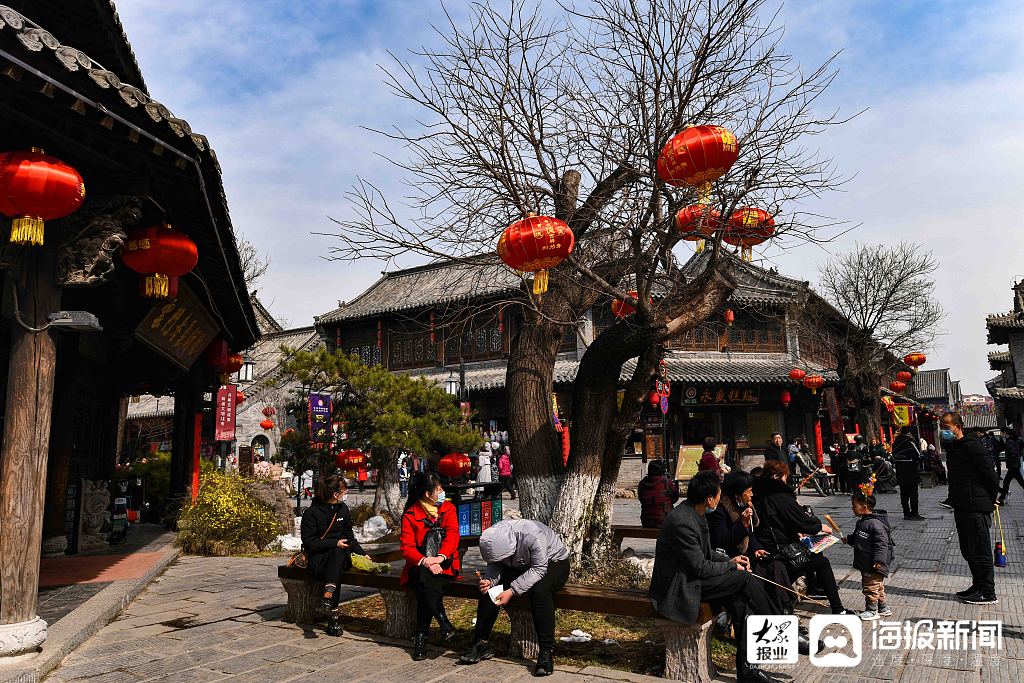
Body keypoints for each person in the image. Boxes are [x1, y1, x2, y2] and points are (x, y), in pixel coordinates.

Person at [650, 471, 796, 683]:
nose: (720, 498)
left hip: (691, 578)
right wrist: (730, 566)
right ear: (709, 498)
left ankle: (748, 670)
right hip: (678, 587)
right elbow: (700, 567)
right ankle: (781, 625)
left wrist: (732, 559)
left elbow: (707, 553)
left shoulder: (694, 513)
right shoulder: (683, 521)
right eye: (718, 495)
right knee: (743, 580)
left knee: (740, 599)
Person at [458, 519, 570, 676]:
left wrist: (511, 591)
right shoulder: (493, 537)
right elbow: (495, 564)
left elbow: (539, 569)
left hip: (553, 562)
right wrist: (489, 580)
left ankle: (546, 651)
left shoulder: (532, 535)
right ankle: (480, 642)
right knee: (490, 591)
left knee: (540, 591)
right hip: (518, 564)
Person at [753, 460, 848, 615]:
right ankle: (838, 609)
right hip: (780, 551)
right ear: (777, 476)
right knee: (822, 562)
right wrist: (819, 526)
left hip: (768, 545)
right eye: (784, 477)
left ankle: (813, 586)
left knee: (815, 553)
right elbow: (802, 520)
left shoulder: (757, 493)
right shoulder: (779, 495)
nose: (786, 481)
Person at [707, 470, 793, 613]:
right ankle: (773, 613)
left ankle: (785, 609)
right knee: (760, 575)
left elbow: (750, 534)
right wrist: (742, 524)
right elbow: (722, 540)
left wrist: (756, 548)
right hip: (732, 557)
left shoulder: (743, 505)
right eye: (749, 491)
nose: (752, 494)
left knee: (776, 566)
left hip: (748, 554)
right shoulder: (721, 510)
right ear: (738, 492)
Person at [400, 472, 461, 660]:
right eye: (438, 489)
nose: (442, 491)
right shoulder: (411, 514)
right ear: (428, 494)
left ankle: (421, 637)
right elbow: (407, 548)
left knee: (424, 585)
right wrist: (426, 561)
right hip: (421, 565)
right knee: (422, 578)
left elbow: (453, 536)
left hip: (446, 565)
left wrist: (439, 558)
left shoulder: (448, 508)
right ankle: (442, 622)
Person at [942, 412, 999, 604]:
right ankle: (977, 585)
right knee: (968, 550)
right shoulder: (954, 448)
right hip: (962, 505)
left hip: (976, 506)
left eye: (947, 427)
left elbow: (990, 475)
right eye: (942, 426)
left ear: (958, 426)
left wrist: (991, 499)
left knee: (980, 550)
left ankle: (987, 592)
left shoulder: (972, 446)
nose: (944, 431)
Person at [300, 475, 364, 636]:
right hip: (318, 560)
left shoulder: (343, 509)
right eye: (344, 489)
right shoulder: (312, 513)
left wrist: (362, 553)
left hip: (339, 558)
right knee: (335, 561)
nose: (346, 492)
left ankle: (328, 599)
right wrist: (334, 543)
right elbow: (310, 543)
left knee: (337, 556)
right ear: (335, 493)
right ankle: (332, 615)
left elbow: (349, 536)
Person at [841, 484, 895, 621]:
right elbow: (859, 537)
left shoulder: (874, 524)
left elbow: (882, 544)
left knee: (870, 586)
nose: (853, 509)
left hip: (874, 562)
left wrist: (879, 560)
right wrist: (849, 539)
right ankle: (883, 607)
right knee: (878, 585)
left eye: (854, 506)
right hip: (866, 559)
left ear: (864, 507)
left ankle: (871, 610)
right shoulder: (862, 522)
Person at [891, 426, 923, 520]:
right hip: (911, 472)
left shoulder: (895, 443)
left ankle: (906, 513)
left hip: (900, 471)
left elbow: (894, 455)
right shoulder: (910, 443)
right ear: (908, 433)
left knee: (903, 494)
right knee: (913, 494)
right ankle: (914, 513)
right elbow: (918, 456)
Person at [638, 460, 680, 528]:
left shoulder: (642, 484)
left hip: (647, 522)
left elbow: (642, 500)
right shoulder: (666, 482)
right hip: (665, 521)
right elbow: (675, 498)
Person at [998, 428, 1023, 505]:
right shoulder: (1015, 440)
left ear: (1005, 433)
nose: (1001, 435)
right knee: (1009, 482)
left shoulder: (1009, 441)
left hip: (1013, 466)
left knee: (1008, 482)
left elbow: (1013, 453)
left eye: (1001, 433)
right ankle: (1001, 498)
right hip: (1015, 465)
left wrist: (1011, 462)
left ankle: (1001, 498)